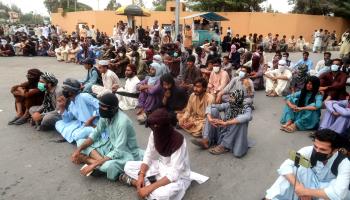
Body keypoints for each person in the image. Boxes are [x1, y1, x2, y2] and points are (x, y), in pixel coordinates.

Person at [121, 108, 191, 200]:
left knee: (162, 195)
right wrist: (141, 175)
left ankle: (137, 184)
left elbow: (174, 174)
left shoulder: (178, 140)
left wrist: (149, 188)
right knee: (128, 166)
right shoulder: (155, 133)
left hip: (178, 177)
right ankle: (144, 186)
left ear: (165, 127)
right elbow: (148, 155)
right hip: (160, 167)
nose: (153, 130)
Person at [71, 93, 143, 181]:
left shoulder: (122, 122)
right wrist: (77, 151)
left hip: (126, 151)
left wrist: (93, 164)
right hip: (110, 145)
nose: (100, 109)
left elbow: (119, 150)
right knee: (80, 142)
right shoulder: (106, 116)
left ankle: (89, 160)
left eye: (103, 106)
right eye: (100, 106)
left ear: (112, 108)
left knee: (108, 166)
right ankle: (100, 161)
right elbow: (95, 135)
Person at [265, 129, 350, 200]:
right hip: (311, 182)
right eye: (316, 147)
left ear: (335, 150)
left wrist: (305, 192)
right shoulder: (308, 150)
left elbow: (338, 194)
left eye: (323, 149)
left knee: (337, 189)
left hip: (326, 191)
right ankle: (270, 198)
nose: (317, 151)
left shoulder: (344, 163)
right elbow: (286, 165)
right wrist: (298, 187)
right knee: (293, 170)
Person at [192, 90, 253, 157]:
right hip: (223, 132)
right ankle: (206, 141)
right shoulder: (228, 104)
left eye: (233, 97)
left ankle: (224, 146)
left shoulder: (246, 107)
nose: (230, 99)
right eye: (231, 97)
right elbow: (211, 106)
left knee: (239, 122)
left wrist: (227, 123)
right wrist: (210, 118)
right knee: (213, 110)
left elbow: (248, 116)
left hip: (233, 136)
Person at [55, 78, 100, 143]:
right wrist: (62, 107)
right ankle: (74, 135)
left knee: (78, 135)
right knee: (58, 123)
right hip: (81, 125)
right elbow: (67, 120)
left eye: (65, 89)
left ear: (71, 91)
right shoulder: (72, 103)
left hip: (93, 125)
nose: (64, 91)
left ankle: (73, 135)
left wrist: (91, 119)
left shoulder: (84, 96)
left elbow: (101, 107)